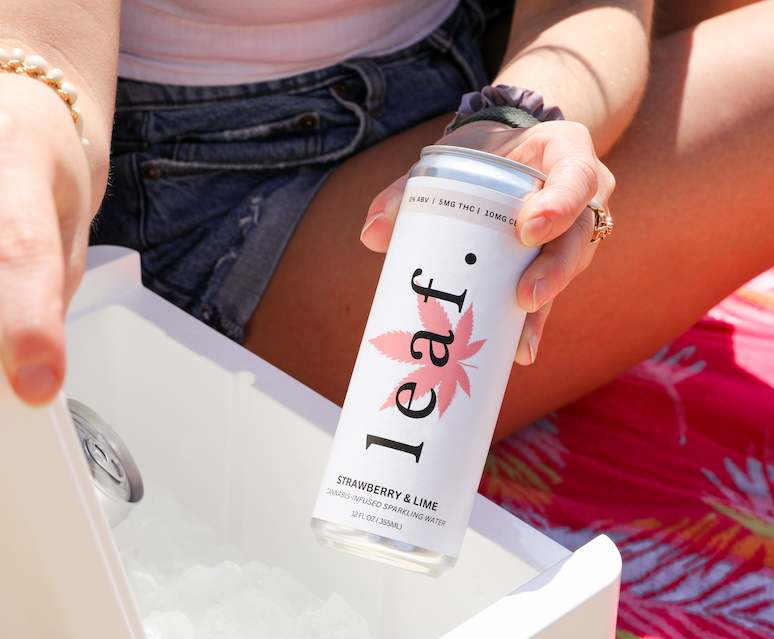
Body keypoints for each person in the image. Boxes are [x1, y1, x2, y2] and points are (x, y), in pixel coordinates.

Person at [0, 0, 771, 442]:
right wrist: (35, 118)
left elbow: (584, 12)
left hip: (474, 58)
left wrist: (520, 121)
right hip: (216, 208)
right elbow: (43, 45)